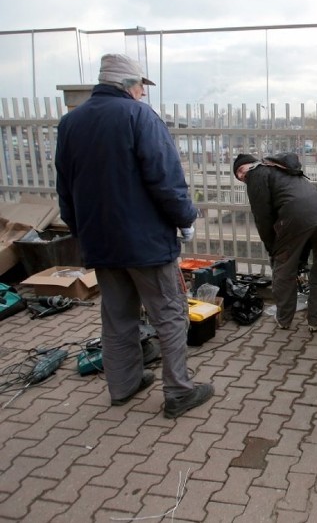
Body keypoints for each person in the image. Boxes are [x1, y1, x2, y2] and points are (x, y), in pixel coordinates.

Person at [55, 54, 214, 418]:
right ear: (129, 85)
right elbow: (165, 178)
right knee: (171, 314)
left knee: (117, 317)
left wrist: (82, 232)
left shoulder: (70, 123)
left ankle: (123, 385)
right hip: (145, 244)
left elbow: (65, 189)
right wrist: (186, 218)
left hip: (99, 242)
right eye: (142, 85)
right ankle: (178, 392)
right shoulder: (139, 117)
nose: (144, 92)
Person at [233, 151, 317, 331]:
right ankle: (315, 320)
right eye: (238, 176)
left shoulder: (256, 173)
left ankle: (284, 319)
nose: (242, 176)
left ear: (253, 163)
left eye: (241, 170)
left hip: (296, 216)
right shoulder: (281, 169)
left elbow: (262, 216)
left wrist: (273, 248)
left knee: (283, 269)